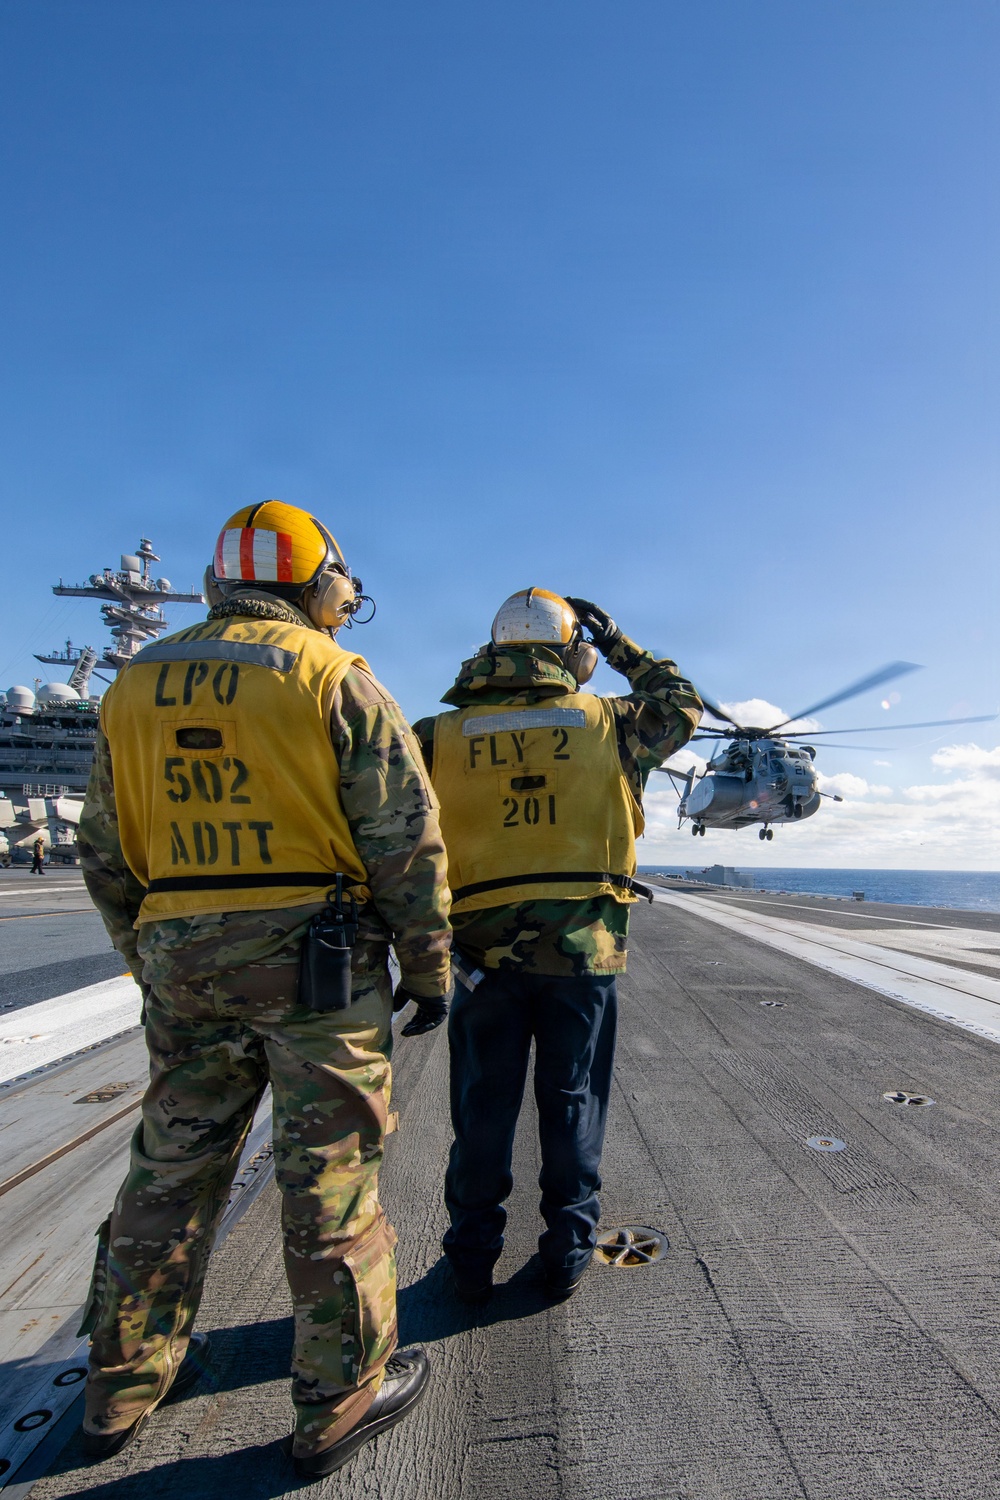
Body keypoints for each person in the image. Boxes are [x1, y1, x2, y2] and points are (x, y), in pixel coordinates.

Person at [77, 500, 451, 1478]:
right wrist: (428, 967)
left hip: (180, 962)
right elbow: (403, 837)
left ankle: (121, 1381)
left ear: (215, 583)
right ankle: (338, 1397)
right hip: (313, 967)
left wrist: (151, 956)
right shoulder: (333, 675)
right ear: (314, 582)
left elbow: (103, 849)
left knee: (169, 1170)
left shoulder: (133, 684)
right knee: (327, 1178)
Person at [413, 589, 701, 1303]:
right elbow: (683, 701)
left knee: (482, 1111)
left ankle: (470, 1259)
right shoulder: (614, 722)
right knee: (571, 1103)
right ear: (574, 653)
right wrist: (620, 642)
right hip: (582, 957)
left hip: (480, 961)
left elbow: (399, 844)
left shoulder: (435, 736)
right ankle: (567, 1254)